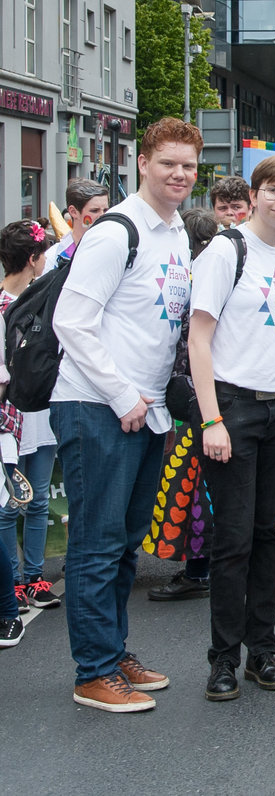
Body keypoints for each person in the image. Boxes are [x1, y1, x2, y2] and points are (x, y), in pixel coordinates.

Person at [51, 116, 202, 712]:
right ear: (143, 163)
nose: (179, 175)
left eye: (188, 165)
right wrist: (123, 396)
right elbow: (72, 322)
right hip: (98, 407)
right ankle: (93, 670)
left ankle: (112, 654)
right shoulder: (117, 232)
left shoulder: (174, 232)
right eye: (168, 163)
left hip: (147, 411)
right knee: (94, 543)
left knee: (122, 544)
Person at [187, 154, 275, 701]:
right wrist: (211, 418)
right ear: (254, 194)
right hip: (232, 410)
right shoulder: (226, 249)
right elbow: (199, 338)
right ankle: (222, 660)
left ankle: (262, 652)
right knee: (232, 541)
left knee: (267, 535)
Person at [146, 209, 220, 604]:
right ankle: (202, 568)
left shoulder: (197, 279)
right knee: (200, 490)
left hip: (193, 401)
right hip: (206, 399)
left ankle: (198, 570)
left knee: (192, 489)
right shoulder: (212, 272)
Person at [0, 220, 61, 614]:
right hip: (9, 418)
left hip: (43, 413)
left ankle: (34, 578)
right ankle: (10, 584)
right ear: (35, 259)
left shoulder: (48, 299)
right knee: (8, 505)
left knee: (38, 499)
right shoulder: (2, 306)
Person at [46, 179, 109, 264]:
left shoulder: (117, 250)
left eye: (105, 210)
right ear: (73, 212)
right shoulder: (53, 257)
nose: (102, 216)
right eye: (94, 210)